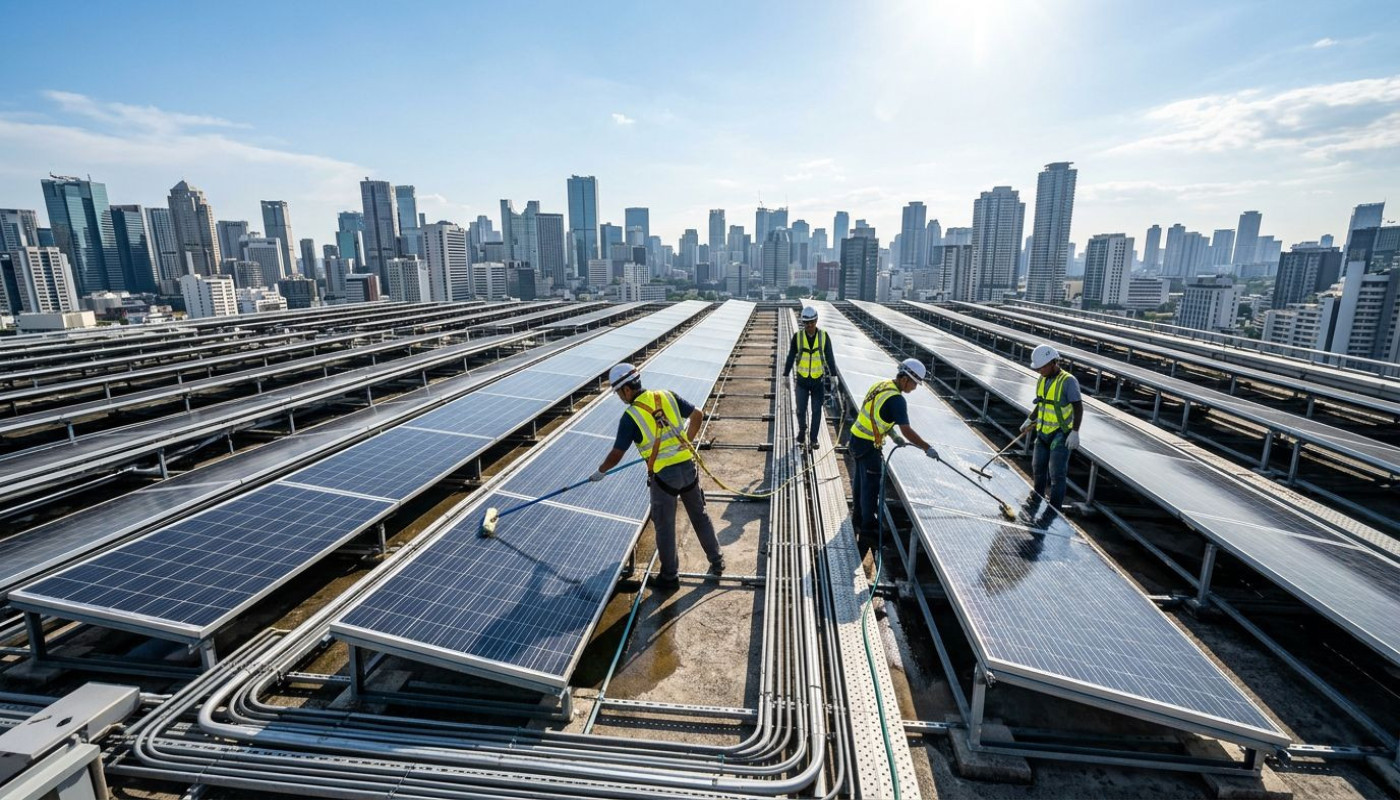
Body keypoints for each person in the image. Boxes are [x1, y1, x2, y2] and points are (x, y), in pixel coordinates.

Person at [592, 363, 724, 590]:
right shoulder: (667, 396)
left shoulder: (631, 416)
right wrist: (687, 443)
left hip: (664, 478)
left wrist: (601, 471)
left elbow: (616, 453)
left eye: (618, 393)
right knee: (699, 515)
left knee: (664, 526)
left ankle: (670, 577)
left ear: (626, 390)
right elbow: (698, 415)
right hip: (688, 468)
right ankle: (717, 559)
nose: (620, 398)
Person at [847, 358, 941, 542]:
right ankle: (867, 530)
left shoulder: (881, 385)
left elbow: (875, 417)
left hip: (856, 439)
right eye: (914, 384)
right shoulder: (897, 400)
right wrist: (927, 448)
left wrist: (892, 435)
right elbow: (907, 430)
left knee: (860, 482)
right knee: (870, 488)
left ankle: (857, 518)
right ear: (905, 379)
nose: (914, 389)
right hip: (868, 447)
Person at [1020, 344, 1083, 523]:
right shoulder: (1042, 379)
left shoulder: (1068, 381)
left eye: (1042, 367)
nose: (1039, 370)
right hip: (1042, 432)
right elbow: (1041, 403)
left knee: (1056, 474)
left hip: (1061, 434)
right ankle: (1036, 498)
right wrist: (1030, 419)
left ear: (1053, 362)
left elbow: (1078, 407)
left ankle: (1052, 510)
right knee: (1038, 468)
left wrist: (1075, 432)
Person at [782, 306, 838, 450]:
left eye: (812, 322)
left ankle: (813, 439)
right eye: (806, 323)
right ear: (803, 323)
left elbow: (830, 358)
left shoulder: (824, 337)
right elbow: (790, 357)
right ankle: (802, 430)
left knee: (817, 411)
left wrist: (833, 376)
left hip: (817, 381)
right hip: (802, 381)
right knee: (800, 410)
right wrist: (786, 375)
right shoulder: (798, 337)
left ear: (816, 320)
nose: (809, 325)